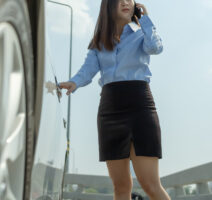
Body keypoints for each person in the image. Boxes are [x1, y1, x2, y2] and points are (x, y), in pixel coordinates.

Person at [58, 0, 171, 200]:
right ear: (109, 5)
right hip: (110, 110)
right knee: (121, 186)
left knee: (150, 184)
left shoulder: (141, 35)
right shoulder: (99, 42)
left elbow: (156, 47)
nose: (126, 2)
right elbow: (87, 70)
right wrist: (73, 83)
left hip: (140, 106)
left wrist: (144, 20)